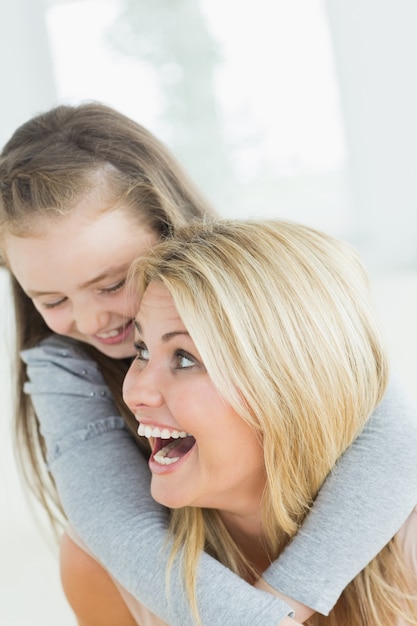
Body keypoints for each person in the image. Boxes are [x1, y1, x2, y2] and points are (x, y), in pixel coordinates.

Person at [0, 102, 416, 625]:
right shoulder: (64, 370)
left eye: (111, 284)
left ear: (170, 231)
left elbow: (390, 428)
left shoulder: (273, 310)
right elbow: (115, 525)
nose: (91, 320)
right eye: (52, 300)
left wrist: (287, 596)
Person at [121, 217, 417, 626]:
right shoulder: (103, 568)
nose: (135, 392)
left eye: (185, 358)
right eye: (141, 350)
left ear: (290, 387)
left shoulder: (407, 552)